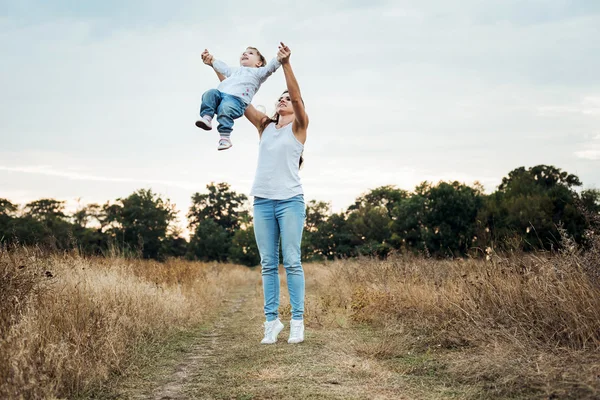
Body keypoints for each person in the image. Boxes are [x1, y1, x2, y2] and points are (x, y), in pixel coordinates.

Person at [203, 42, 308, 344]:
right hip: (262, 201)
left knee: (291, 260)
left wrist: (285, 64)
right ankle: (271, 322)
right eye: (280, 98)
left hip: (290, 201)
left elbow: (298, 96)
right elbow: (235, 93)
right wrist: (214, 66)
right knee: (267, 264)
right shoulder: (265, 126)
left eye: (287, 99)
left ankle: (298, 322)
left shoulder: (299, 127)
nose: (283, 100)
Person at [196, 46, 282, 151]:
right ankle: (207, 117)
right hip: (221, 95)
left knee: (226, 108)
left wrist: (279, 58)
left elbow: (270, 68)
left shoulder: (259, 73)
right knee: (209, 93)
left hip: (237, 101)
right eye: (244, 53)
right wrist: (212, 59)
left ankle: (225, 137)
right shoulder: (235, 71)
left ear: (258, 63)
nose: (245, 54)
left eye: (250, 53)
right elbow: (223, 68)